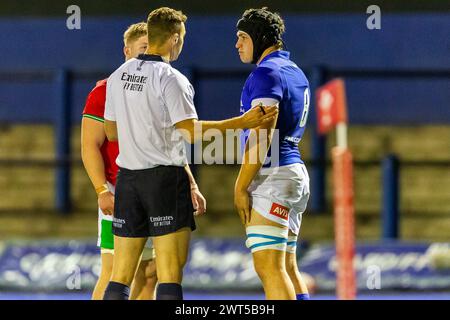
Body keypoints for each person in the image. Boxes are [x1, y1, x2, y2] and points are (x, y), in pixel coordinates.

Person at [102, 7, 278, 300]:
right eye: (181, 38)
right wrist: (243, 122)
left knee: (120, 276)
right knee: (169, 275)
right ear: (173, 39)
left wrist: (142, 127)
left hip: (128, 181)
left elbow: (111, 132)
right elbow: (191, 132)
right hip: (164, 181)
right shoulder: (172, 79)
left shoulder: (118, 75)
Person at [234, 7, 312, 300]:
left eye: (242, 37)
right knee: (288, 267)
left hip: (273, 175)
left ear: (258, 37)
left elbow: (263, 133)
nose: (237, 44)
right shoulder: (294, 71)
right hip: (293, 172)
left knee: (270, 268)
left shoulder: (266, 73)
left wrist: (241, 185)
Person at [81, 22, 157, 300]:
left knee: (149, 273)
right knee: (114, 270)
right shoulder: (104, 90)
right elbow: (89, 145)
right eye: (143, 48)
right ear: (126, 51)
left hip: (153, 190)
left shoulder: (159, 88)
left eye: (153, 48)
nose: (148, 55)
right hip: (119, 192)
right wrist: (102, 189)